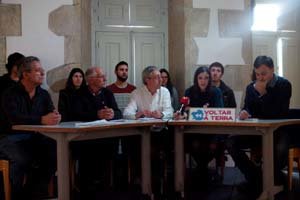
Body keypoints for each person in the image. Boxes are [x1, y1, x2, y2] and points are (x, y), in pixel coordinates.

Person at [226, 55, 292, 198]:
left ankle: (272, 178)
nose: (260, 77)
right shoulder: (251, 88)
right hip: (257, 131)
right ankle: (256, 177)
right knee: (231, 142)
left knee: (281, 149)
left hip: (278, 131)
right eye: (257, 74)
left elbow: (279, 112)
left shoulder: (284, 85)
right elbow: (249, 108)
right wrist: (245, 112)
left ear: (272, 70)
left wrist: (263, 93)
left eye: (264, 74)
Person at [0, 56, 61, 200]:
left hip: (35, 136)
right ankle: (17, 195)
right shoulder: (10, 93)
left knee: (56, 150)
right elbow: (14, 119)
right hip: (9, 137)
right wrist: (42, 119)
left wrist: (56, 117)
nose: (43, 73)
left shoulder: (43, 94)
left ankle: (32, 191)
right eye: (38, 70)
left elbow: (50, 113)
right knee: (22, 158)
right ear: (25, 74)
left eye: (42, 70)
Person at [181, 66, 224, 190]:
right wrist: (201, 111)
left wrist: (199, 111)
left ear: (209, 79)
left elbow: (219, 112)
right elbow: (184, 110)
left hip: (212, 131)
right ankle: (203, 171)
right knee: (195, 144)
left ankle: (201, 170)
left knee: (212, 146)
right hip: (194, 131)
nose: (203, 81)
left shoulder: (216, 92)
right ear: (196, 79)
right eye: (200, 78)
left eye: (206, 78)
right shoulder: (189, 91)